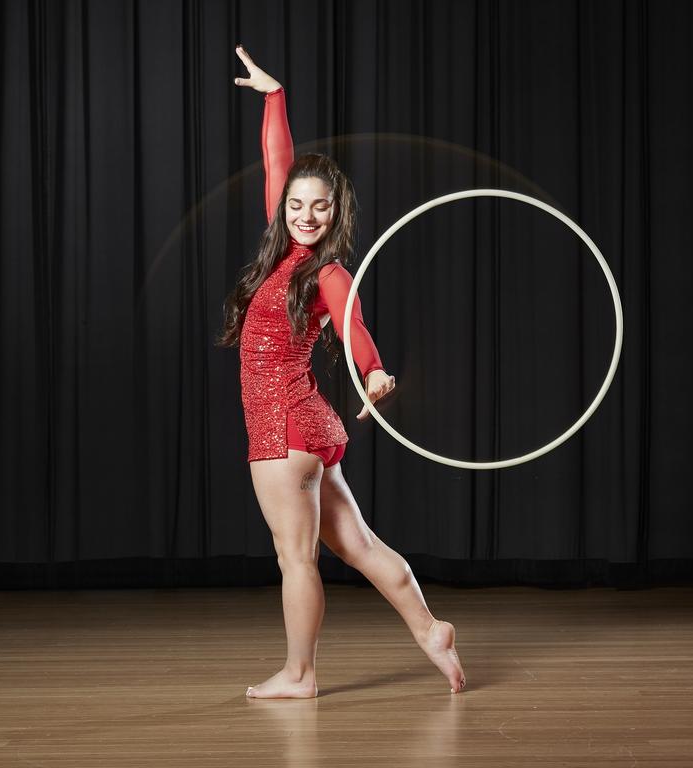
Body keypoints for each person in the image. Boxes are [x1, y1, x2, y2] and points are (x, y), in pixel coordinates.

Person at [216, 44, 466, 699]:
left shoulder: (326, 272)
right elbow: (277, 161)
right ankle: (430, 629)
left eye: (318, 206)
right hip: (310, 427)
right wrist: (275, 99)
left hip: (282, 429)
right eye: (296, 204)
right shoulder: (283, 255)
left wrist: (376, 372)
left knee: (295, 558)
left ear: (336, 211)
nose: (304, 213)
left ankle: (299, 674)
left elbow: (353, 326)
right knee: (357, 544)